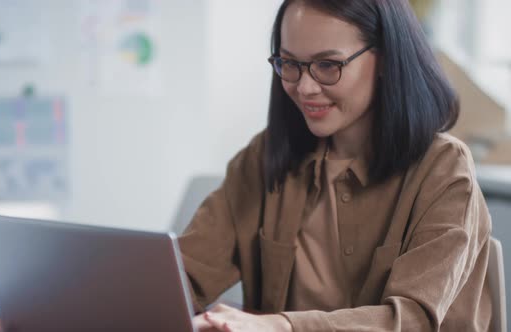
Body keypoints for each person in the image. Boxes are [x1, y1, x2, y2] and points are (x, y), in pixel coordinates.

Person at [179, 0, 492, 331]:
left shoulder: (443, 168)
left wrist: (281, 326)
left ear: (386, 58)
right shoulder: (263, 157)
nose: (304, 87)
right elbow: (186, 273)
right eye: (289, 63)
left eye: (328, 65)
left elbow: (411, 320)